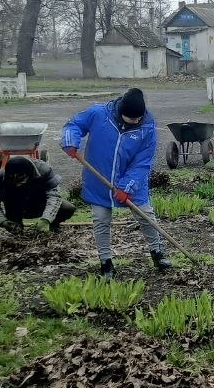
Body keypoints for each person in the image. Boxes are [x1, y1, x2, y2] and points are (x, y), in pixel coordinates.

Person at [61, 87, 173, 279]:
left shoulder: (147, 126)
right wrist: (71, 141)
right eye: (130, 119)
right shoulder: (98, 114)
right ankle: (106, 263)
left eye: (137, 119)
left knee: (146, 216)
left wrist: (127, 186)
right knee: (100, 219)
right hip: (99, 179)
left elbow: (143, 162)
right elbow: (73, 125)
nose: (134, 122)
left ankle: (157, 253)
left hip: (133, 181)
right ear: (121, 111)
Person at [0, 155, 76, 233]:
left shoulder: (44, 170)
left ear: (29, 173)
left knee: (67, 209)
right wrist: (2, 221)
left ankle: (52, 226)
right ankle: (16, 227)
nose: (17, 185)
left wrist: (46, 219)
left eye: (20, 180)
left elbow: (54, 197)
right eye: (13, 181)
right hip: (15, 208)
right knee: (15, 230)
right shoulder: (1, 176)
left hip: (39, 204)